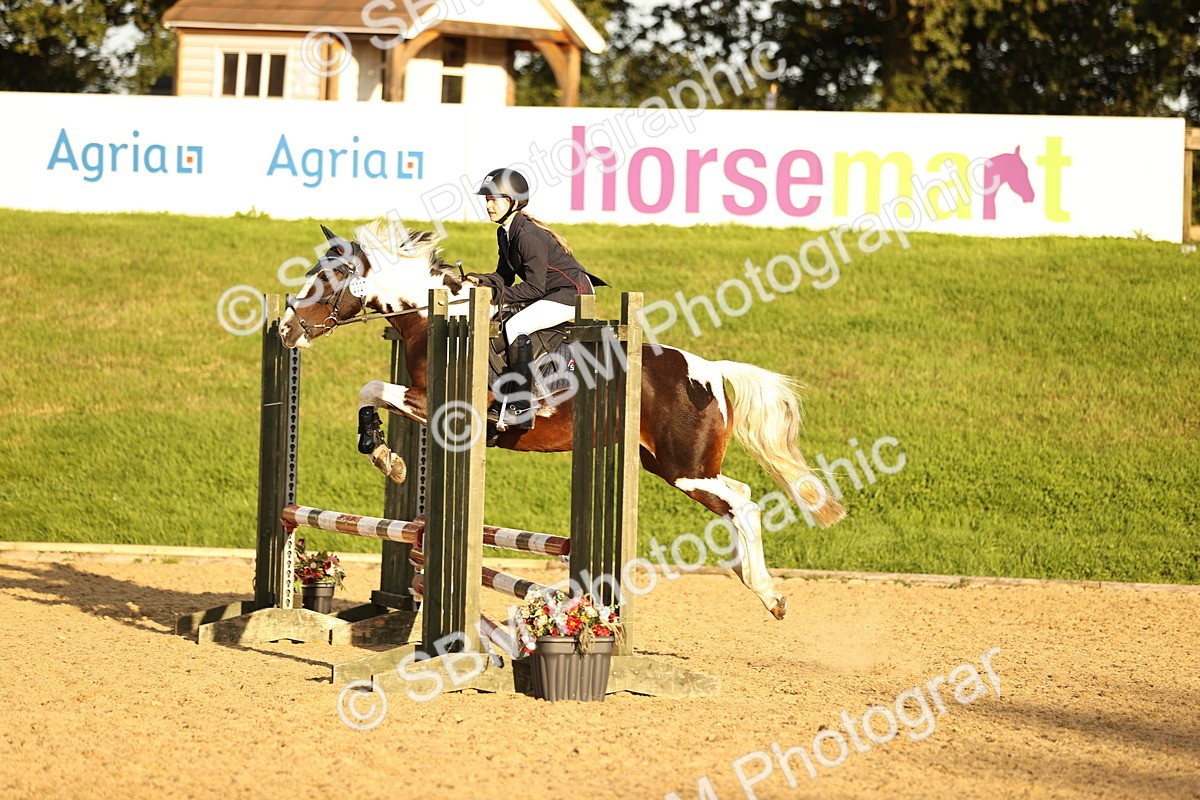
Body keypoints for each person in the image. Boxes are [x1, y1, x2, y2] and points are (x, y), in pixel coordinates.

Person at [464, 167, 606, 429]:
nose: (488, 205)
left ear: (513, 202)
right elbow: (504, 277)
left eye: (494, 200)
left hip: (572, 294)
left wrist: (497, 295)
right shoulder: (505, 233)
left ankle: (520, 403)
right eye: (487, 200)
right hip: (555, 292)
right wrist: (479, 280)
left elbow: (534, 289)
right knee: (509, 317)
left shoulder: (527, 236)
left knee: (516, 325)